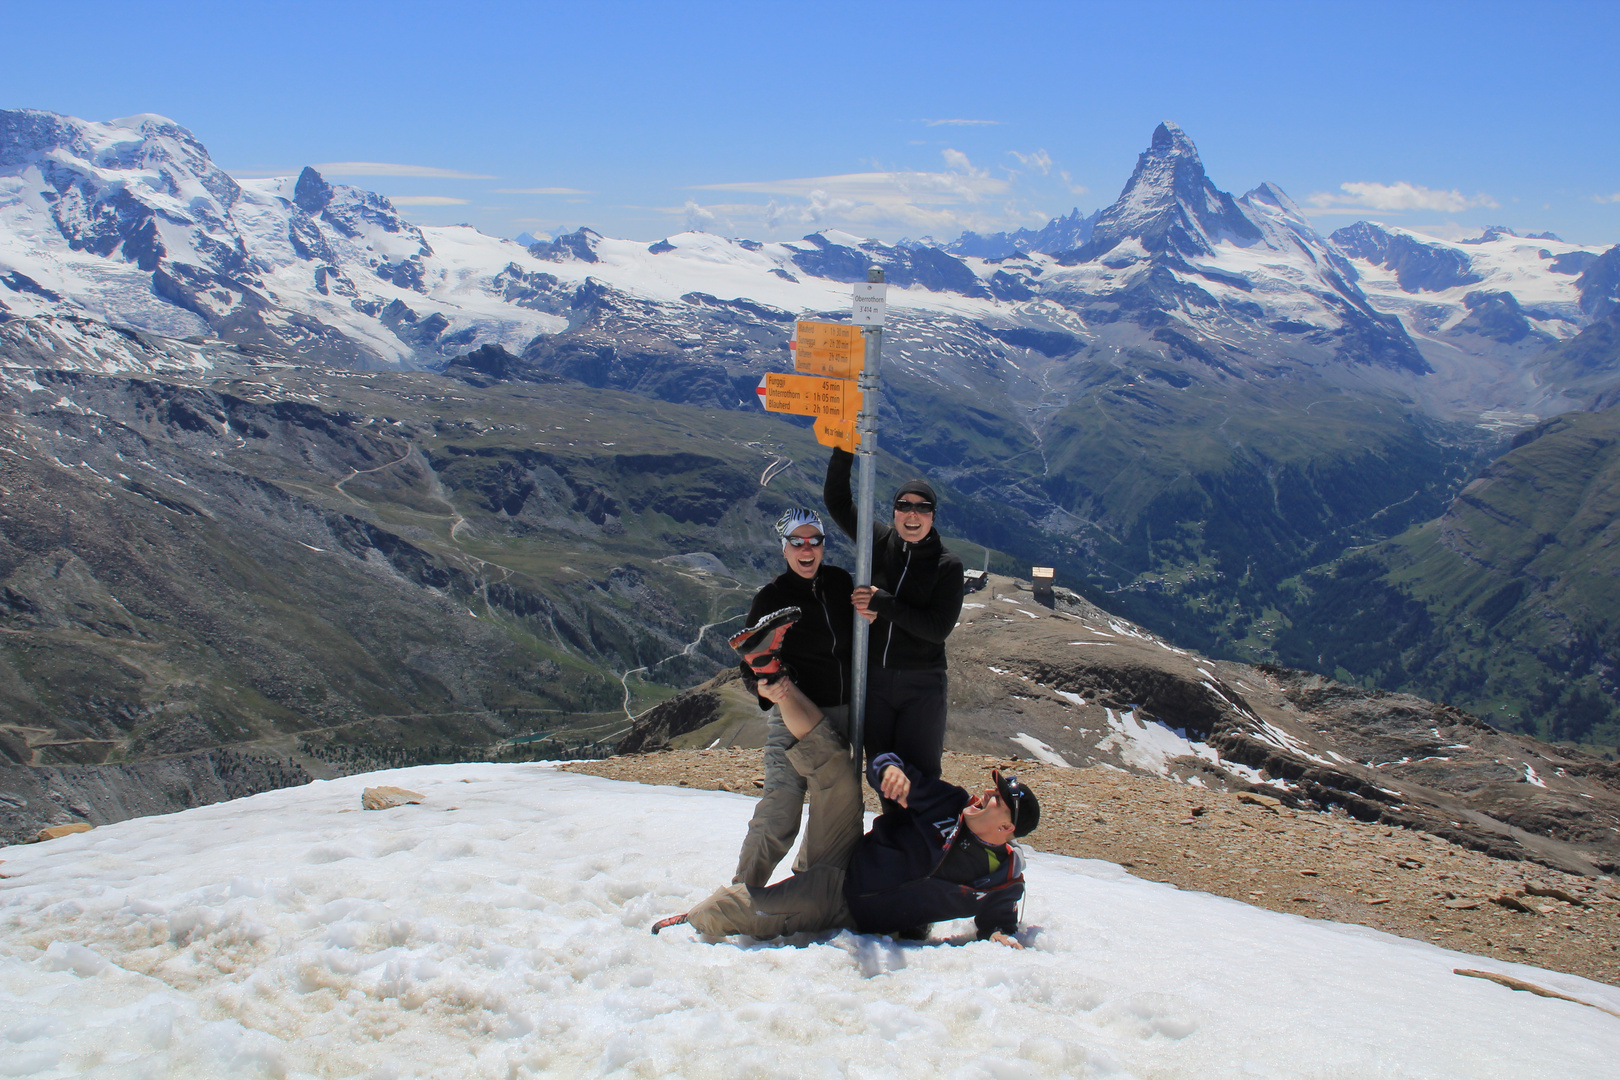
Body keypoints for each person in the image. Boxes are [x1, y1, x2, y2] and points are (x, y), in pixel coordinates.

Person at [651, 676, 1039, 946]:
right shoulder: (950, 803)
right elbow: (884, 763)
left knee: (745, 910)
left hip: (843, 902)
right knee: (836, 765)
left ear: (1006, 828)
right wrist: (889, 769)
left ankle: (693, 918)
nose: (985, 793)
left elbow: (998, 916)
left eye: (996, 798)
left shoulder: (1001, 877)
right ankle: (780, 686)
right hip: (847, 848)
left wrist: (998, 933)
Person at [729, 507, 855, 888]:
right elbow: (747, 668)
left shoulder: (840, 583)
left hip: (843, 713)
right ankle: (741, 893)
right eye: (796, 542)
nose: (806, 549)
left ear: (822, 545)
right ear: (784, 549)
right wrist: (762, 687)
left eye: (814, 541)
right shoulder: (771, 597)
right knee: (781, 808)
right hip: (791, 712)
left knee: (829, 811)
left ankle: (808, 887)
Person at [823, 448, 964, 778]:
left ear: (932, 516)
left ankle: (920, 830)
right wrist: (844, 446)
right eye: (904, 506)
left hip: (923, 684)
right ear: (894, 512)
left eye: (922, 508)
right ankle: (894, 829)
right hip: (875, 681)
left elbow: (937, 629)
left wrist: (881, 603)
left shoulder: (947, 565)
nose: (912, 515)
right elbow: (838, 502)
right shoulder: (879, 540)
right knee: (880, 772)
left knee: (921, 774)